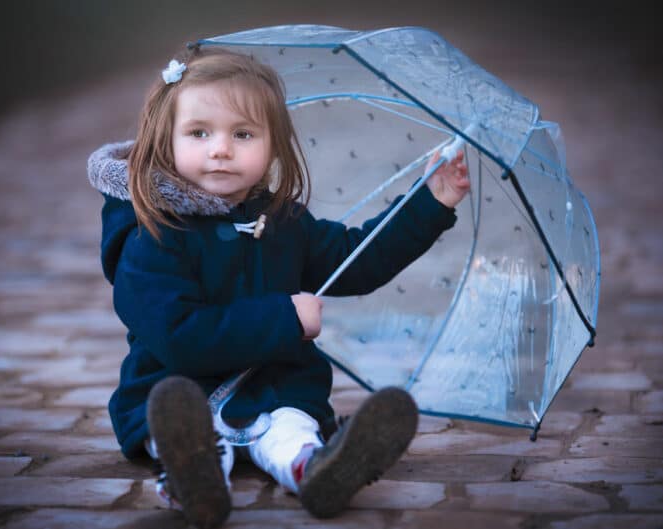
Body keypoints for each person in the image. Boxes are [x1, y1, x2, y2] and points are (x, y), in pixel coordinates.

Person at [88, 46, 469, 529]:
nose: (220, 148)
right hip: (175, 392)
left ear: (272, 145)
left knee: (291, 428)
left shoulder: (284, 222)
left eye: (242, 134)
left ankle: (318, 469)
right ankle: (194, 477)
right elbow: (178, 336)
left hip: (273, 392)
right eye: (199, 133)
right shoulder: (152, 235)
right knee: (181, 428)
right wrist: (286, 319)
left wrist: (430, 202)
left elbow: (357, 259)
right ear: (166, 140)